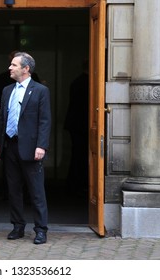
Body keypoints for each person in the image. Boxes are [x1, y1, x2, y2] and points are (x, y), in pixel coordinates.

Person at [0, 52, 51, 245]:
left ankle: (40, 229)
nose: (9, 68)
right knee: (13, 189)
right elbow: (2, 119)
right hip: (10, 146)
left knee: (36, 191)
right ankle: (18, 226)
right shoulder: (6, 90)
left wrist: (41, 146)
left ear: (26, 69)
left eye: (14, 65)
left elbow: (44, 121)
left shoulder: (40, 90)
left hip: (31, 148)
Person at [64, 59, 89, 197]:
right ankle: (77, 184)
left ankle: (74, 184)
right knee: (81, 156)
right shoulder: (86, 83)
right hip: (81, 125)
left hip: (76, 124)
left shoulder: (77, 81)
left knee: (77, 155)